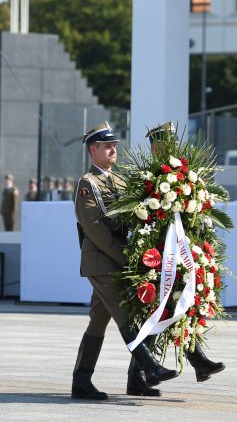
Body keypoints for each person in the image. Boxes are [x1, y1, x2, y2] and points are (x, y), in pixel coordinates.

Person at [72, 121, 178, 401]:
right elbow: (96, 231)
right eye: (106, 146)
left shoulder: (118, 181)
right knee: (126, 314)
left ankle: (87, 381)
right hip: (101, 261)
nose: (112, 150)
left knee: (98, 322)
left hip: (116, 260)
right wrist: (126, 260)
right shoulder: (87, 183)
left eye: (114, 146)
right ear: (92, 150)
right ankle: (149, 367)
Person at [145, 122, 226, 383]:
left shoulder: (183, 172)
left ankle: (196, 363)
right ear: (157, 146)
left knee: (180, 306)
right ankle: (143, 373)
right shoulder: (149, 175)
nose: (174, 148)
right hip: (157, 255)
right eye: (168, 144)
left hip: (181, 252)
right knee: (161, 311)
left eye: (175, 143)